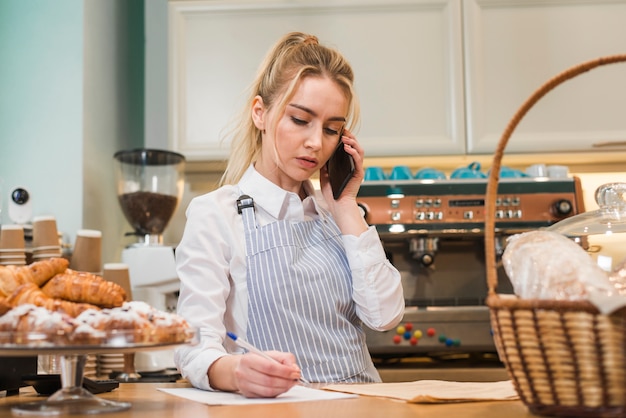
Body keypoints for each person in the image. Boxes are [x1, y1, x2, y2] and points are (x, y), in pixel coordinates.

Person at [174, 31, 404, 398]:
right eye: (300, 120)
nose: (316, 142)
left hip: (363, 405)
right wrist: (236, 371)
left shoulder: (339, 215)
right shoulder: (216, 215)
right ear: (260, 113)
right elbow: (194, 344)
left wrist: (346, 208)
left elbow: (385, 317)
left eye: (331, 129)